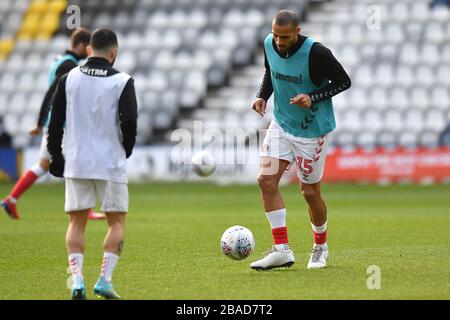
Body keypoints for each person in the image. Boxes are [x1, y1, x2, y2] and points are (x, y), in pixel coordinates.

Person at [250, 10, 351, 271]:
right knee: (265, 180)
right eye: (276, 36)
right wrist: (262, 96)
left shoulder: (317, 53)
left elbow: (343, 81)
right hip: (281, 124)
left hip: (311, 131)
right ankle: (281, 250)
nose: (279, 42)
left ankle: (320, 247)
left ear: (297, 31)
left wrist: (312, 97)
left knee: (309, 192)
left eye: (285, 37)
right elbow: (270, 73)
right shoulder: (268, 44)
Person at [48, 28, 137, 300]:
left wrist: (56, 156)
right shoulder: (122, 80)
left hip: (77, 162)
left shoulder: (68, 78)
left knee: (76, 222)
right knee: (116, 222)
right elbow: (130, 121)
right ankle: (104, 280)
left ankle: (77, 281)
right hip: (110, 162)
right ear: (113, 53)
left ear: (89, 50)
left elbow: (55, 122)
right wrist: (127, 150)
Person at [1, 28, 105, 220]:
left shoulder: (58, 60)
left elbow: (51, 92)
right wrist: (40, 123)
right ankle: (85, 209)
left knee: (42, 165)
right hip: (62, 124)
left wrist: (42, 123)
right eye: (88, 47)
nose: (89, 52)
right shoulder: (68, 66)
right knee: (75, 163)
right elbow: (52, 94)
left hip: (52, 122)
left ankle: (11, 199)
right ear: (82, 46)